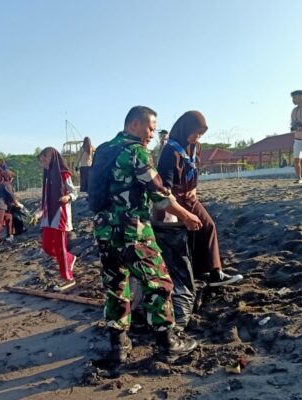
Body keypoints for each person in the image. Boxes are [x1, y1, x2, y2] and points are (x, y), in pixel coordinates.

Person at [92, 106, 203, 366]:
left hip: (104, 230)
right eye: (150, 127)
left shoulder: (104, 150)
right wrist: (186, 216)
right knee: (159, 283)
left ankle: (118, 345)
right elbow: (159, 194)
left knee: (115, 285)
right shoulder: (135, 151)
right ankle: (168, 343)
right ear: (133, 125)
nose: (152, 133)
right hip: (132, 230)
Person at [157, 111, 243, 287]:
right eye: (195, 132)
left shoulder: (196, 147)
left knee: (207, 225)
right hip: (173, 200)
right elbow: (164, 188)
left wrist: (194, 189)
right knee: (181, 235)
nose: (197, 137)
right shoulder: (170, 151)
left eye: (201, 134)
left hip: (189, 197)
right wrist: (177, 212)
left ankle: (215, 272)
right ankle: (187, 276)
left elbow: (194, 171)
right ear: (184, 129)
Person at [37, 147, 78, 292]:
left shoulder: (63, 174)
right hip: (48, 217)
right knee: (47, 247)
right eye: (41, 160)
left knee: (60, 247)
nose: (43, 162)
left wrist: (68, 197)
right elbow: (46, 198)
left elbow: (74, 192)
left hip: (60, 214)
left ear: (53, 157)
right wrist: (39, 212)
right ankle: (68, 259)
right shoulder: (47, 175)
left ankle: (68, 277)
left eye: (45, 158)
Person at [0, 170, 21, 245]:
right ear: (8, 177)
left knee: (9, 217)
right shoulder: (6, 184)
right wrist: (17, 204)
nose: (12, 179)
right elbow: (11, 195)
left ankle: (10, 234)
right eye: (12, 177)